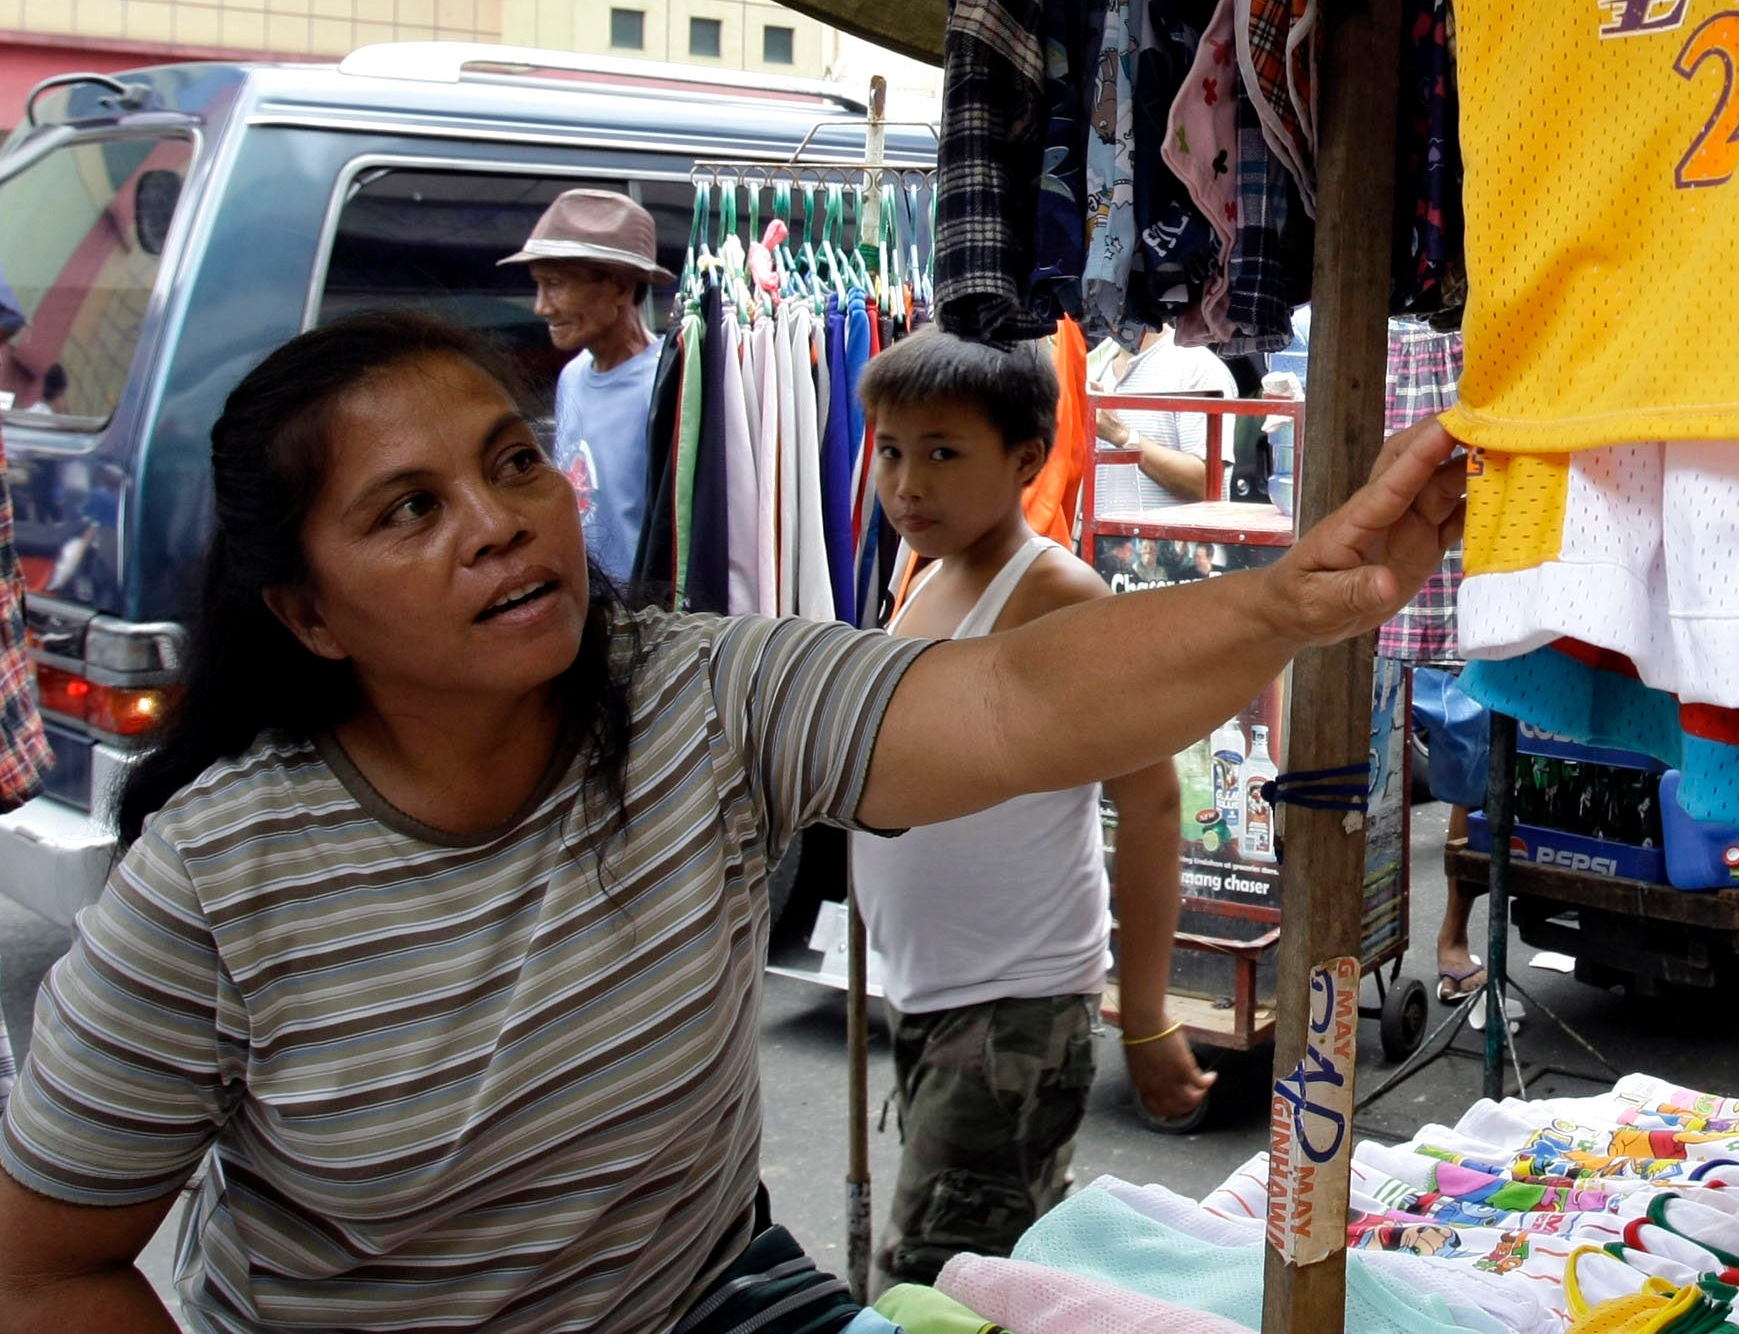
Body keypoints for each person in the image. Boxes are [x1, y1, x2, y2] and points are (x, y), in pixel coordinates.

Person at [0, 309, 1464, 1332]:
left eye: (513, 461)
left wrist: (1293, 600)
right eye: (408, 510)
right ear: (308, 614)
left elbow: (1018, 700)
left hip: (713, 1303)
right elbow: (44, 1270)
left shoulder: (699, 692)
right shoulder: (215, 883)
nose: (500, 520)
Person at [847, 330, 1212, 1282]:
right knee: (982, 1278)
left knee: (938, 1283)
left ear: (1025, 460)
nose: (907, 485)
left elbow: (1152, 801)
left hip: (1010, 1009)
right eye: (891, 451)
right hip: (933, 996)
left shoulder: (1054, 592)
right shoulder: (926, 576)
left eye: (942, 453)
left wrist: (1145, 1016)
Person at [502, 187, 674, 581]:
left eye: (555, 284)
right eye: (538, 285)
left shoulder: (666, 386)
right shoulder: (573, 377)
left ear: (621, 287)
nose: (541, 307)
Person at [1090, 324, 1234, 514]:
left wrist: (1121, 435)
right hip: (1100, 532)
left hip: (1174, 533)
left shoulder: (1198, 367)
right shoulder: (1094, 367)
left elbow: (1206, 484)